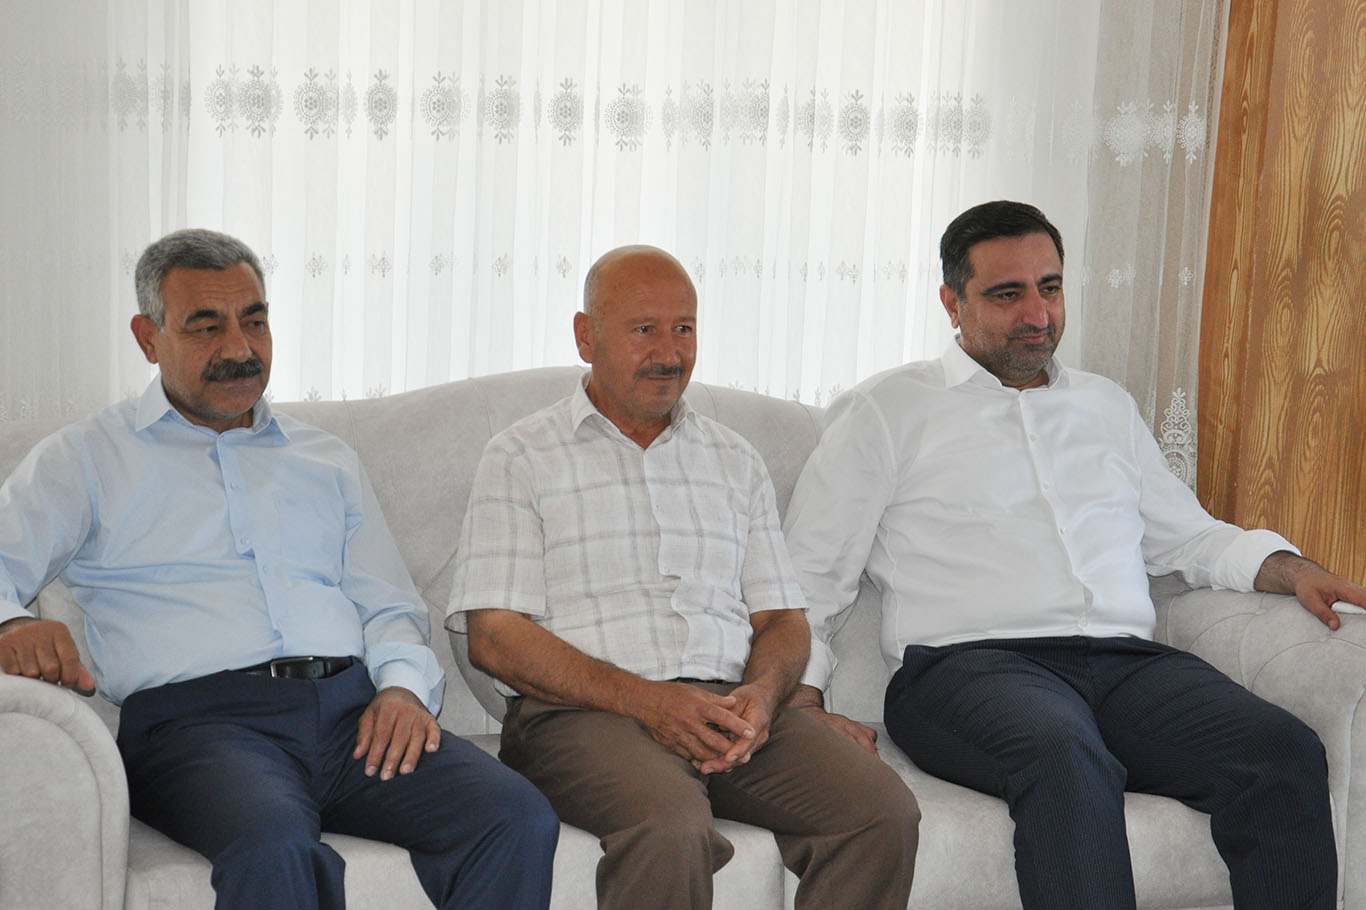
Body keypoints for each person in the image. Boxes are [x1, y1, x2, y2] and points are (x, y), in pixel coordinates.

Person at [781, 199, 1366, 909]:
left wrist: (1293, 570)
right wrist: (803, 699)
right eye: (1008, 294)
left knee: (1281, 751)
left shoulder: (1105, 406)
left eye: (1050, 287)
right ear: (952, 303)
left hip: (1125, 666)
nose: (1038, 314)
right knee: (1065, 754)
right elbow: (809, 573)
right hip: (967, 671)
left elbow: (1186, 536)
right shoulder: (885, 409)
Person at [0, 229, 558, 910]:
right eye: (206, 326)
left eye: (255, 321)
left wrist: (403, 690)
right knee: (275, 848)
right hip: (198, 729)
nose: (240, 348)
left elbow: (388, 604)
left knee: (515, 818)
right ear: (148, 338)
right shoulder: (87, 456)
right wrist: (12, 623)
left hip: (352, 713)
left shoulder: (325, 458)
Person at [446, 244, 919, 910]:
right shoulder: (522, 455)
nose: (669, 353)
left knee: (880, 811)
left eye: (684, 329)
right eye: (644, 330)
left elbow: (783, 619)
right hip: (583, 717)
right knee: (669, 828)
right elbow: (493, 635)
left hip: (727, 708)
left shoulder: (734, 458)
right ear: (586, 336)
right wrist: (650, 703)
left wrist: (763, 696)